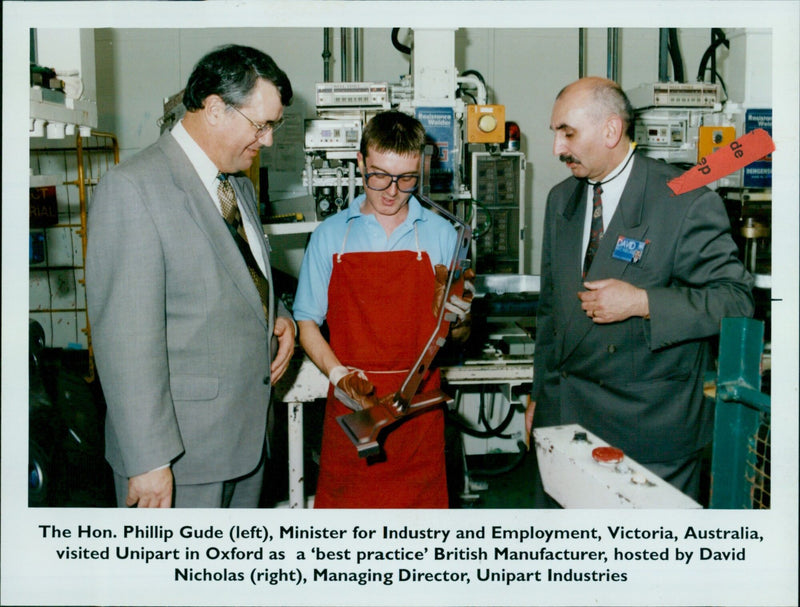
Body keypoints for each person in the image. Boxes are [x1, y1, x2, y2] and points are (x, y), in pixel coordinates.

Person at [525, 77, 754, 504]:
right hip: (566, 421)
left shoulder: (684, 201)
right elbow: (549, 314)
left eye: (567, 133)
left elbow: (736, 300)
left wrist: (643, 302)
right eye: (556, 133)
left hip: (647, 433)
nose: (557, 149)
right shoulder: (563, 200)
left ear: (611, 131)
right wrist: (540, 398)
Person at [86, 44, 296, 508]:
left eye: (273, 127)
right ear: (216, 109)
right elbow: (124, 340)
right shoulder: (133, 188)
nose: (268, 142)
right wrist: (147, 461)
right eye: (261, 125)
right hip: (179, 459)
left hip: (245, 442)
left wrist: (276, 315)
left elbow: (238, 275)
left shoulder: (235, 183)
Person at [293, 110, 471, 508]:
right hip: (352, 409)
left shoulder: (444, 236)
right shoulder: (330, 236)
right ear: (360, 163)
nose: (391, 191)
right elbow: (306, 321)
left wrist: (460, 319)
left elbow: (457, 335)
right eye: (378, 175)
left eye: (406, 179)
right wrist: (338, 376)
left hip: (419, 411)